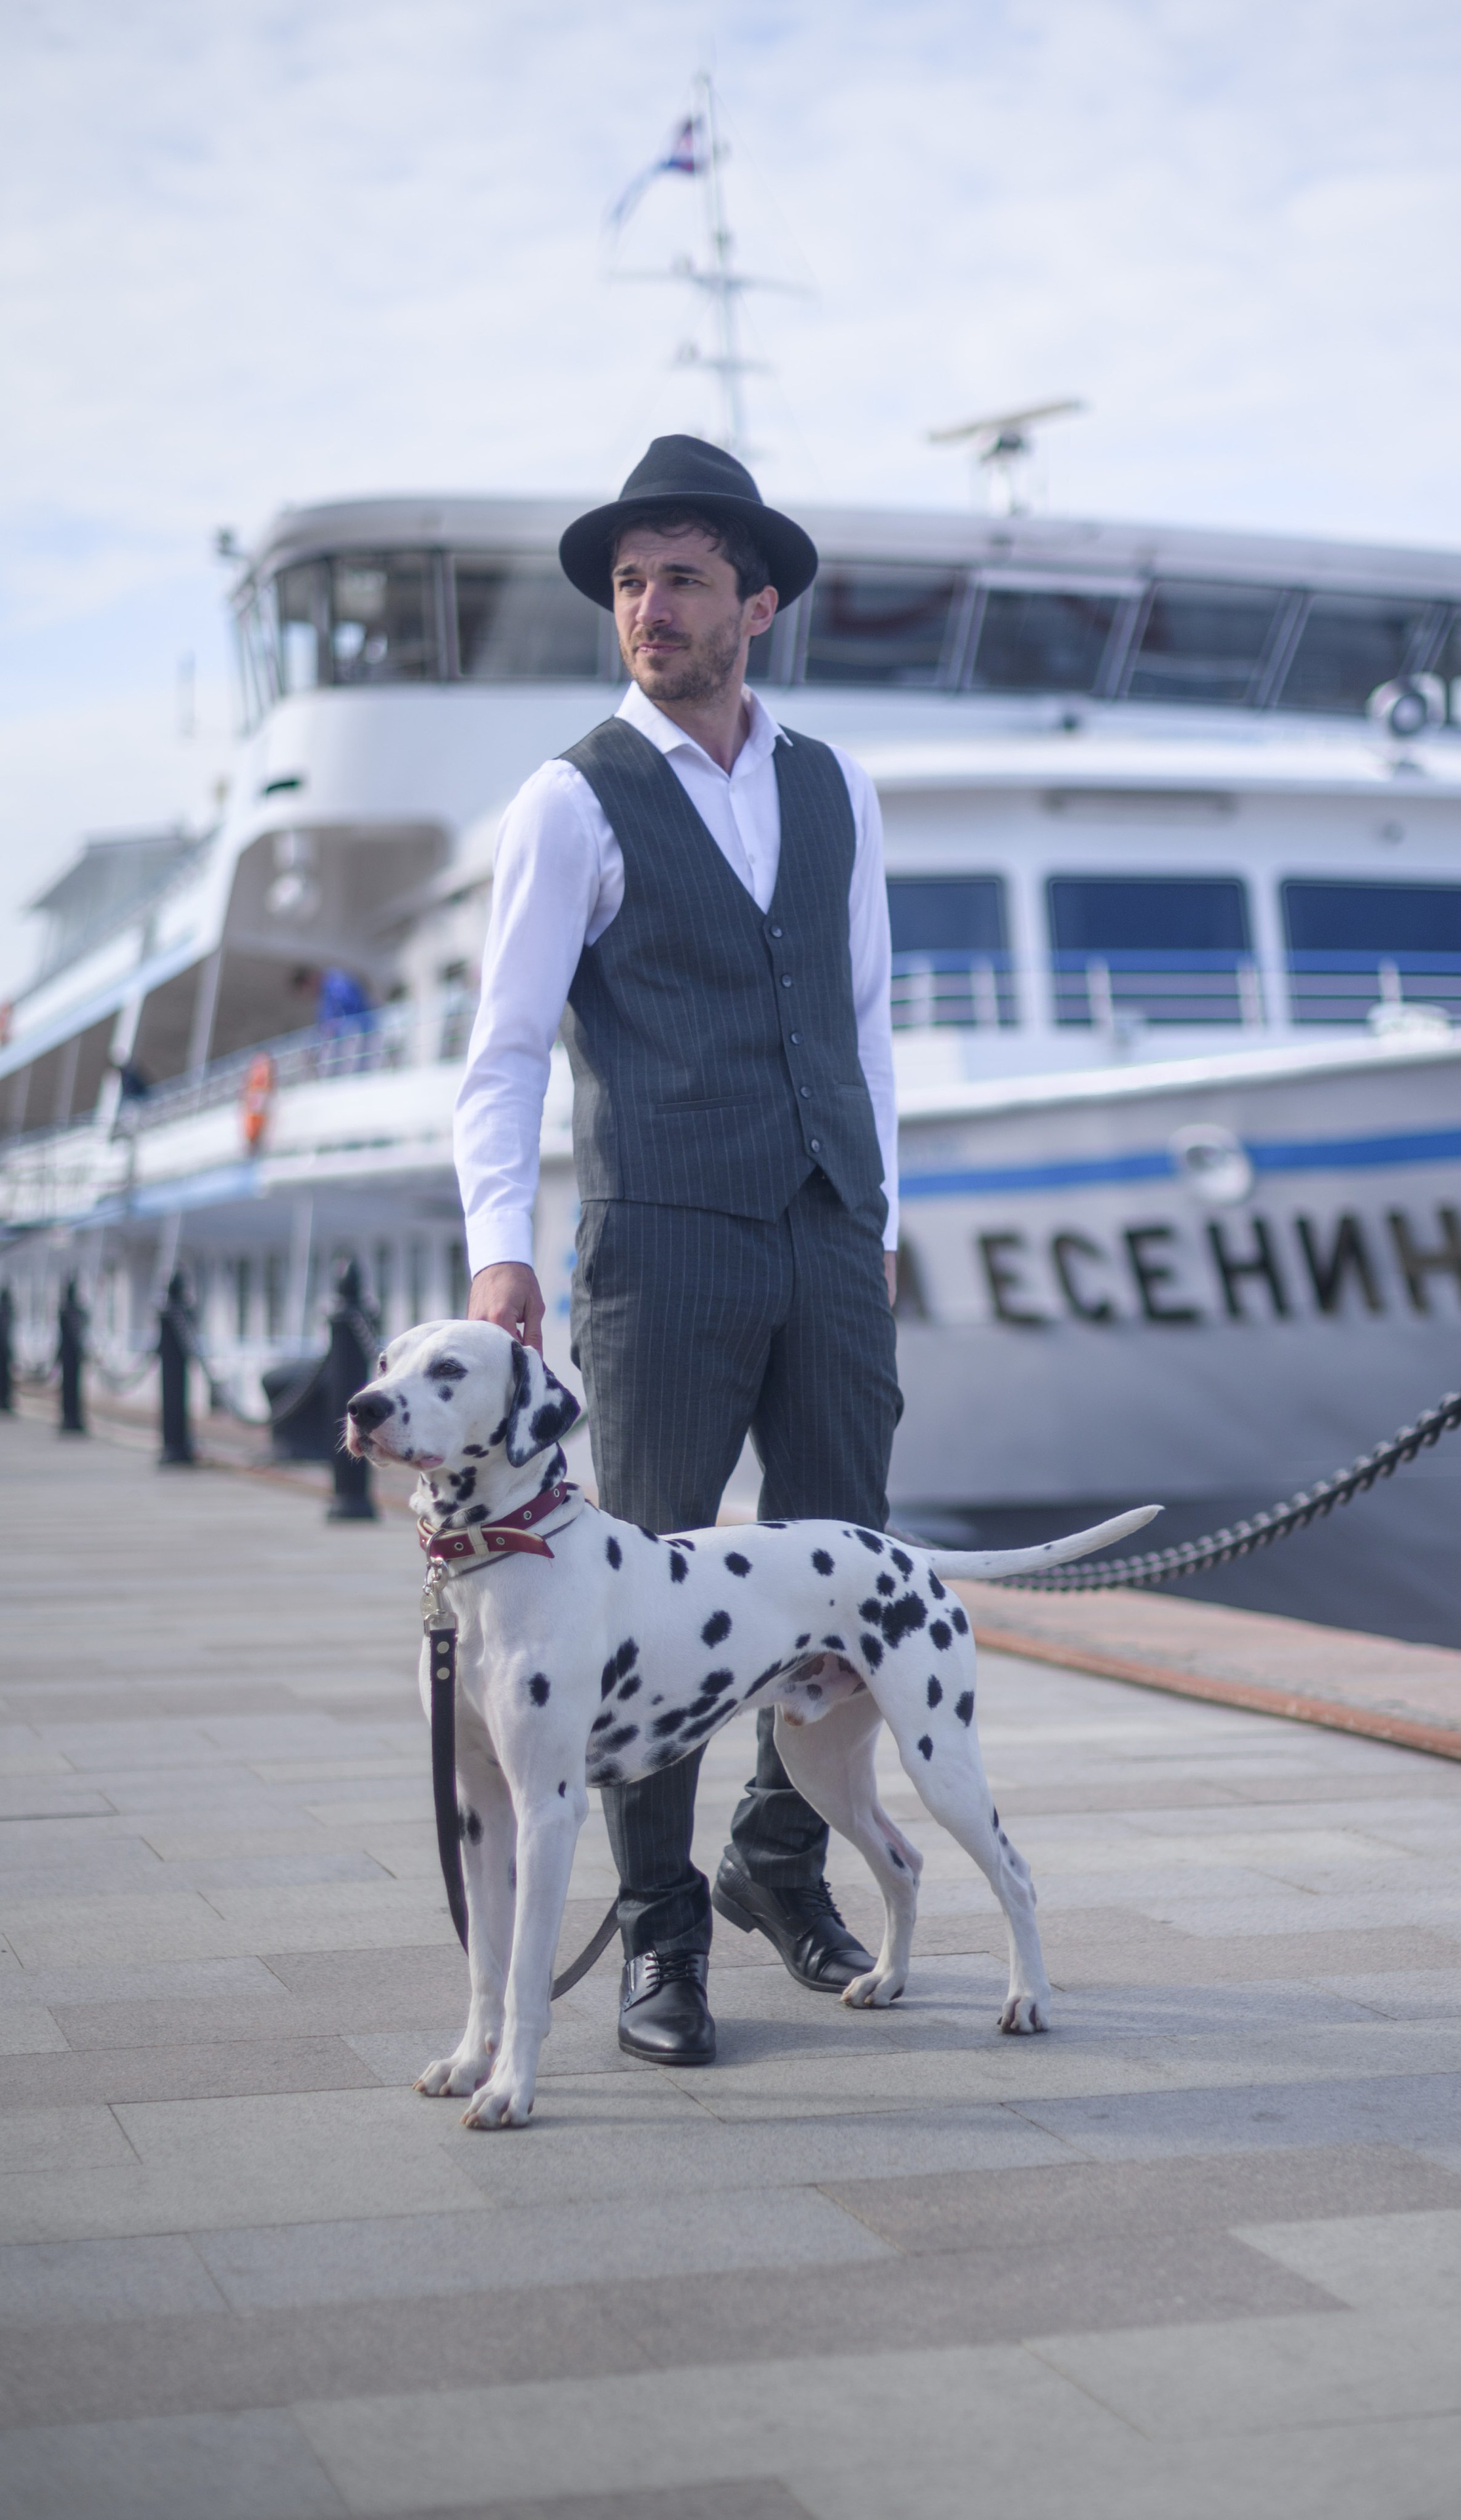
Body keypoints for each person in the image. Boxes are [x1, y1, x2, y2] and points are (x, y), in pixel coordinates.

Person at [454, 436, 902, 2065]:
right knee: (627, 1586)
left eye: (683, 579)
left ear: (755, 605)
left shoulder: (834, 786)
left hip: (825, 1233)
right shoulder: (572, 797)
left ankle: (777, 1856)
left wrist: (876, 1217)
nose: (649, 606)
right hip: (660, 1244)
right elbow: (505, 1048)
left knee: (840, 1560)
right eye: (631, 581)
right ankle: (660, 1932)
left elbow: (862, 1023)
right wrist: (499, 1251)